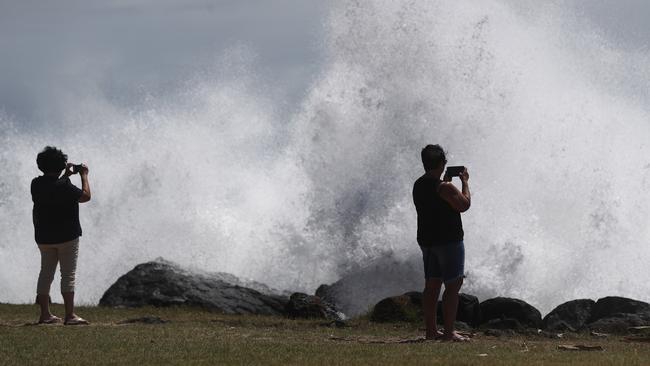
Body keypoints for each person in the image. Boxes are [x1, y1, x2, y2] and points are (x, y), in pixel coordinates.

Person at [412, 144, 471, 341]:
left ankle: (430, 331)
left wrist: (445, 182)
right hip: (448, 241)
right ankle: (448, 332)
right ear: (441, 163)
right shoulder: (444, 187)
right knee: (453, 285)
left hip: (427, 241)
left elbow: (434, 202)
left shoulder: (419, 184)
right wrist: (465, 183)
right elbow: (464, 205)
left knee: (431, 286)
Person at [31, 146, 91, 325]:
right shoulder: (65, 186)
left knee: (46, 273)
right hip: (67, 236)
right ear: (60, 166)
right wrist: (84, 175)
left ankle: (45, 315)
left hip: (44, 237)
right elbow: (85, 196)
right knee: (68, 274)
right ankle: (70, 315)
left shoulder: (36, 184)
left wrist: (65, 175)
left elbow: (53, 188)